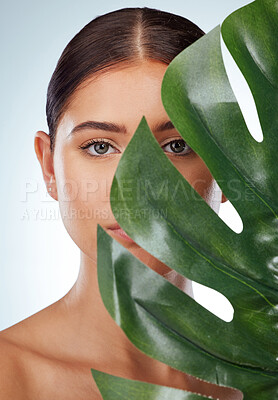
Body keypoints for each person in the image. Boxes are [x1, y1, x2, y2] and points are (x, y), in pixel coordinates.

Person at [0, 7, 242, 400]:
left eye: (176, 145)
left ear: (230, 165)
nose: (136, 187)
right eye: (99, 147)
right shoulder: (9, 377)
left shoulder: (262, 378)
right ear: (49, 167)